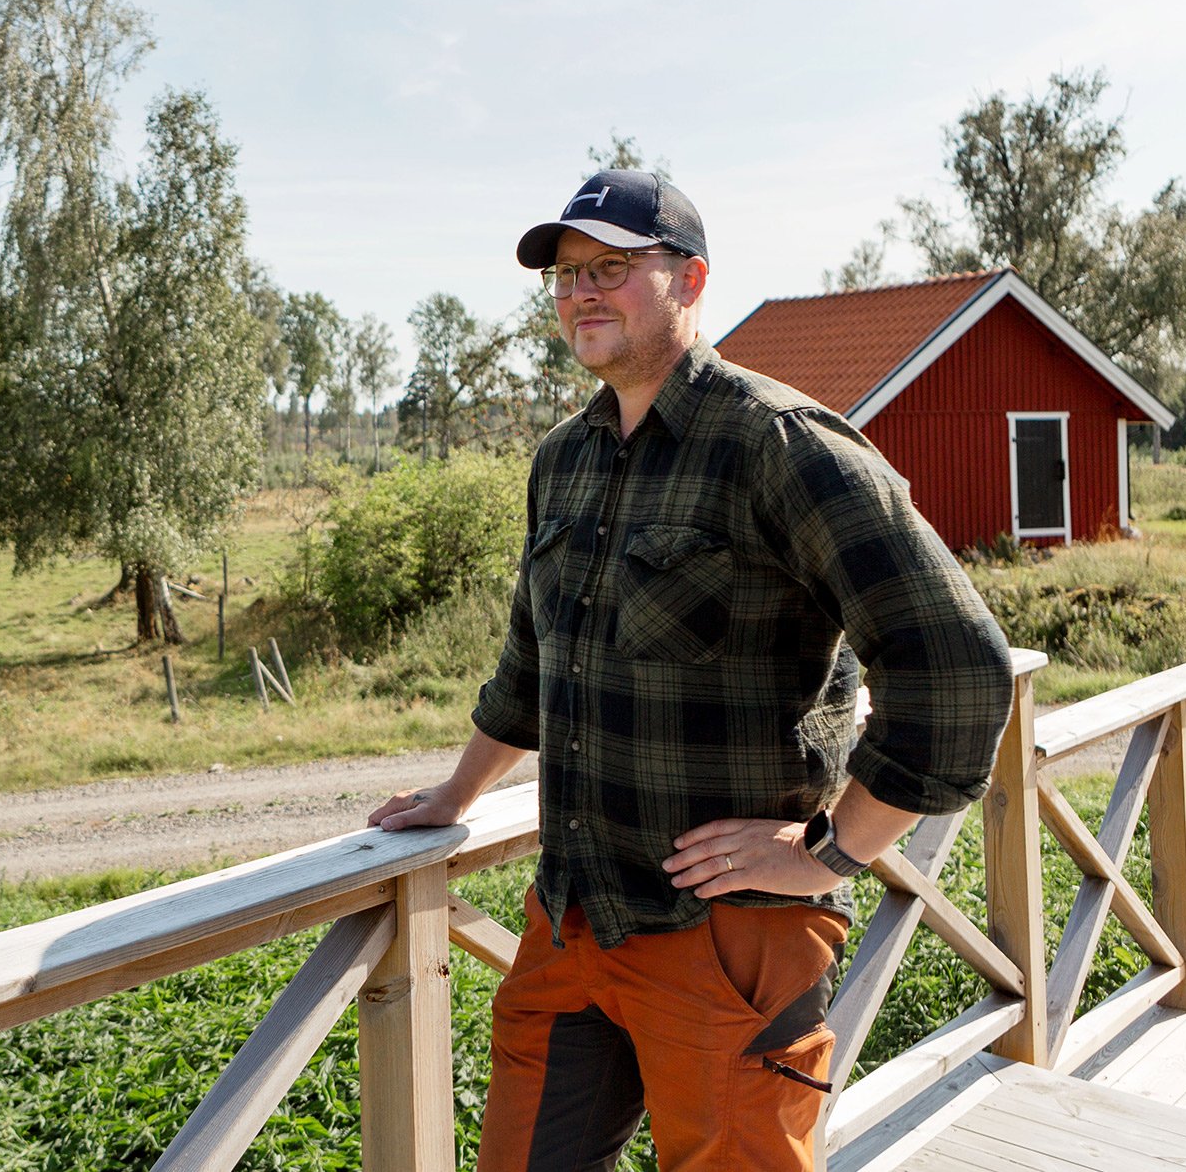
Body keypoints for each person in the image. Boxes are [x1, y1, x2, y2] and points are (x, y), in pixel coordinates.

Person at [368, 170, 1015, 1171]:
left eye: (612, 268)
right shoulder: (562, 460)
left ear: (690, 278)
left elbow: (956, 665)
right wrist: (452, 793)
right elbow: (531, 661)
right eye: (566, 274)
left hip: (728, 939)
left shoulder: (778, 445)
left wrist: (832, 851)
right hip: (571, 917)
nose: (580, 291)